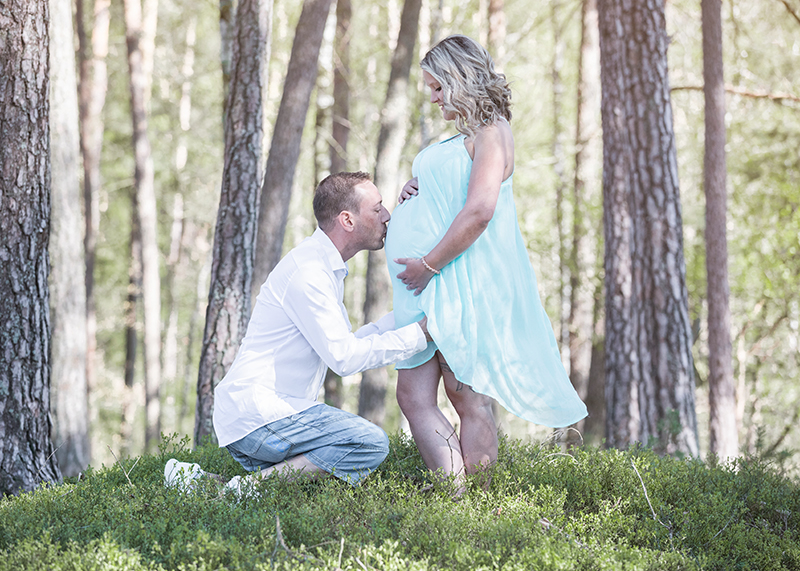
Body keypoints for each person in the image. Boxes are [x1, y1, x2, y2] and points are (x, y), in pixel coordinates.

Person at [384, 35, 587, 486]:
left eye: (438, 87)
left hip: (454, 279)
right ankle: (453, 492)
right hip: (427, 284)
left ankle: (478, 502)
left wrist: (429, 264)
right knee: (413, 394)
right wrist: (415, 187)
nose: (433, 98)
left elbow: (479, 210)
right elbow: (453, 191)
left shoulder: (492, 133)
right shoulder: (466, 136)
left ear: (459, 80)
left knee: (464, 393)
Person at [165, 172, 431, 494]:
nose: (386, 215)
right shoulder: (310, 273)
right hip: (259, 418)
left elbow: (346, 344)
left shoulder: (322, 266)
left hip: (259, 418)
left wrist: (410, 317)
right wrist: (419, 335)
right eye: (377, 209)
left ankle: (206, 483)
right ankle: (239, 492)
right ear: (347, 220)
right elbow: (344, 359)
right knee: (369, 442)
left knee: (319, 469)